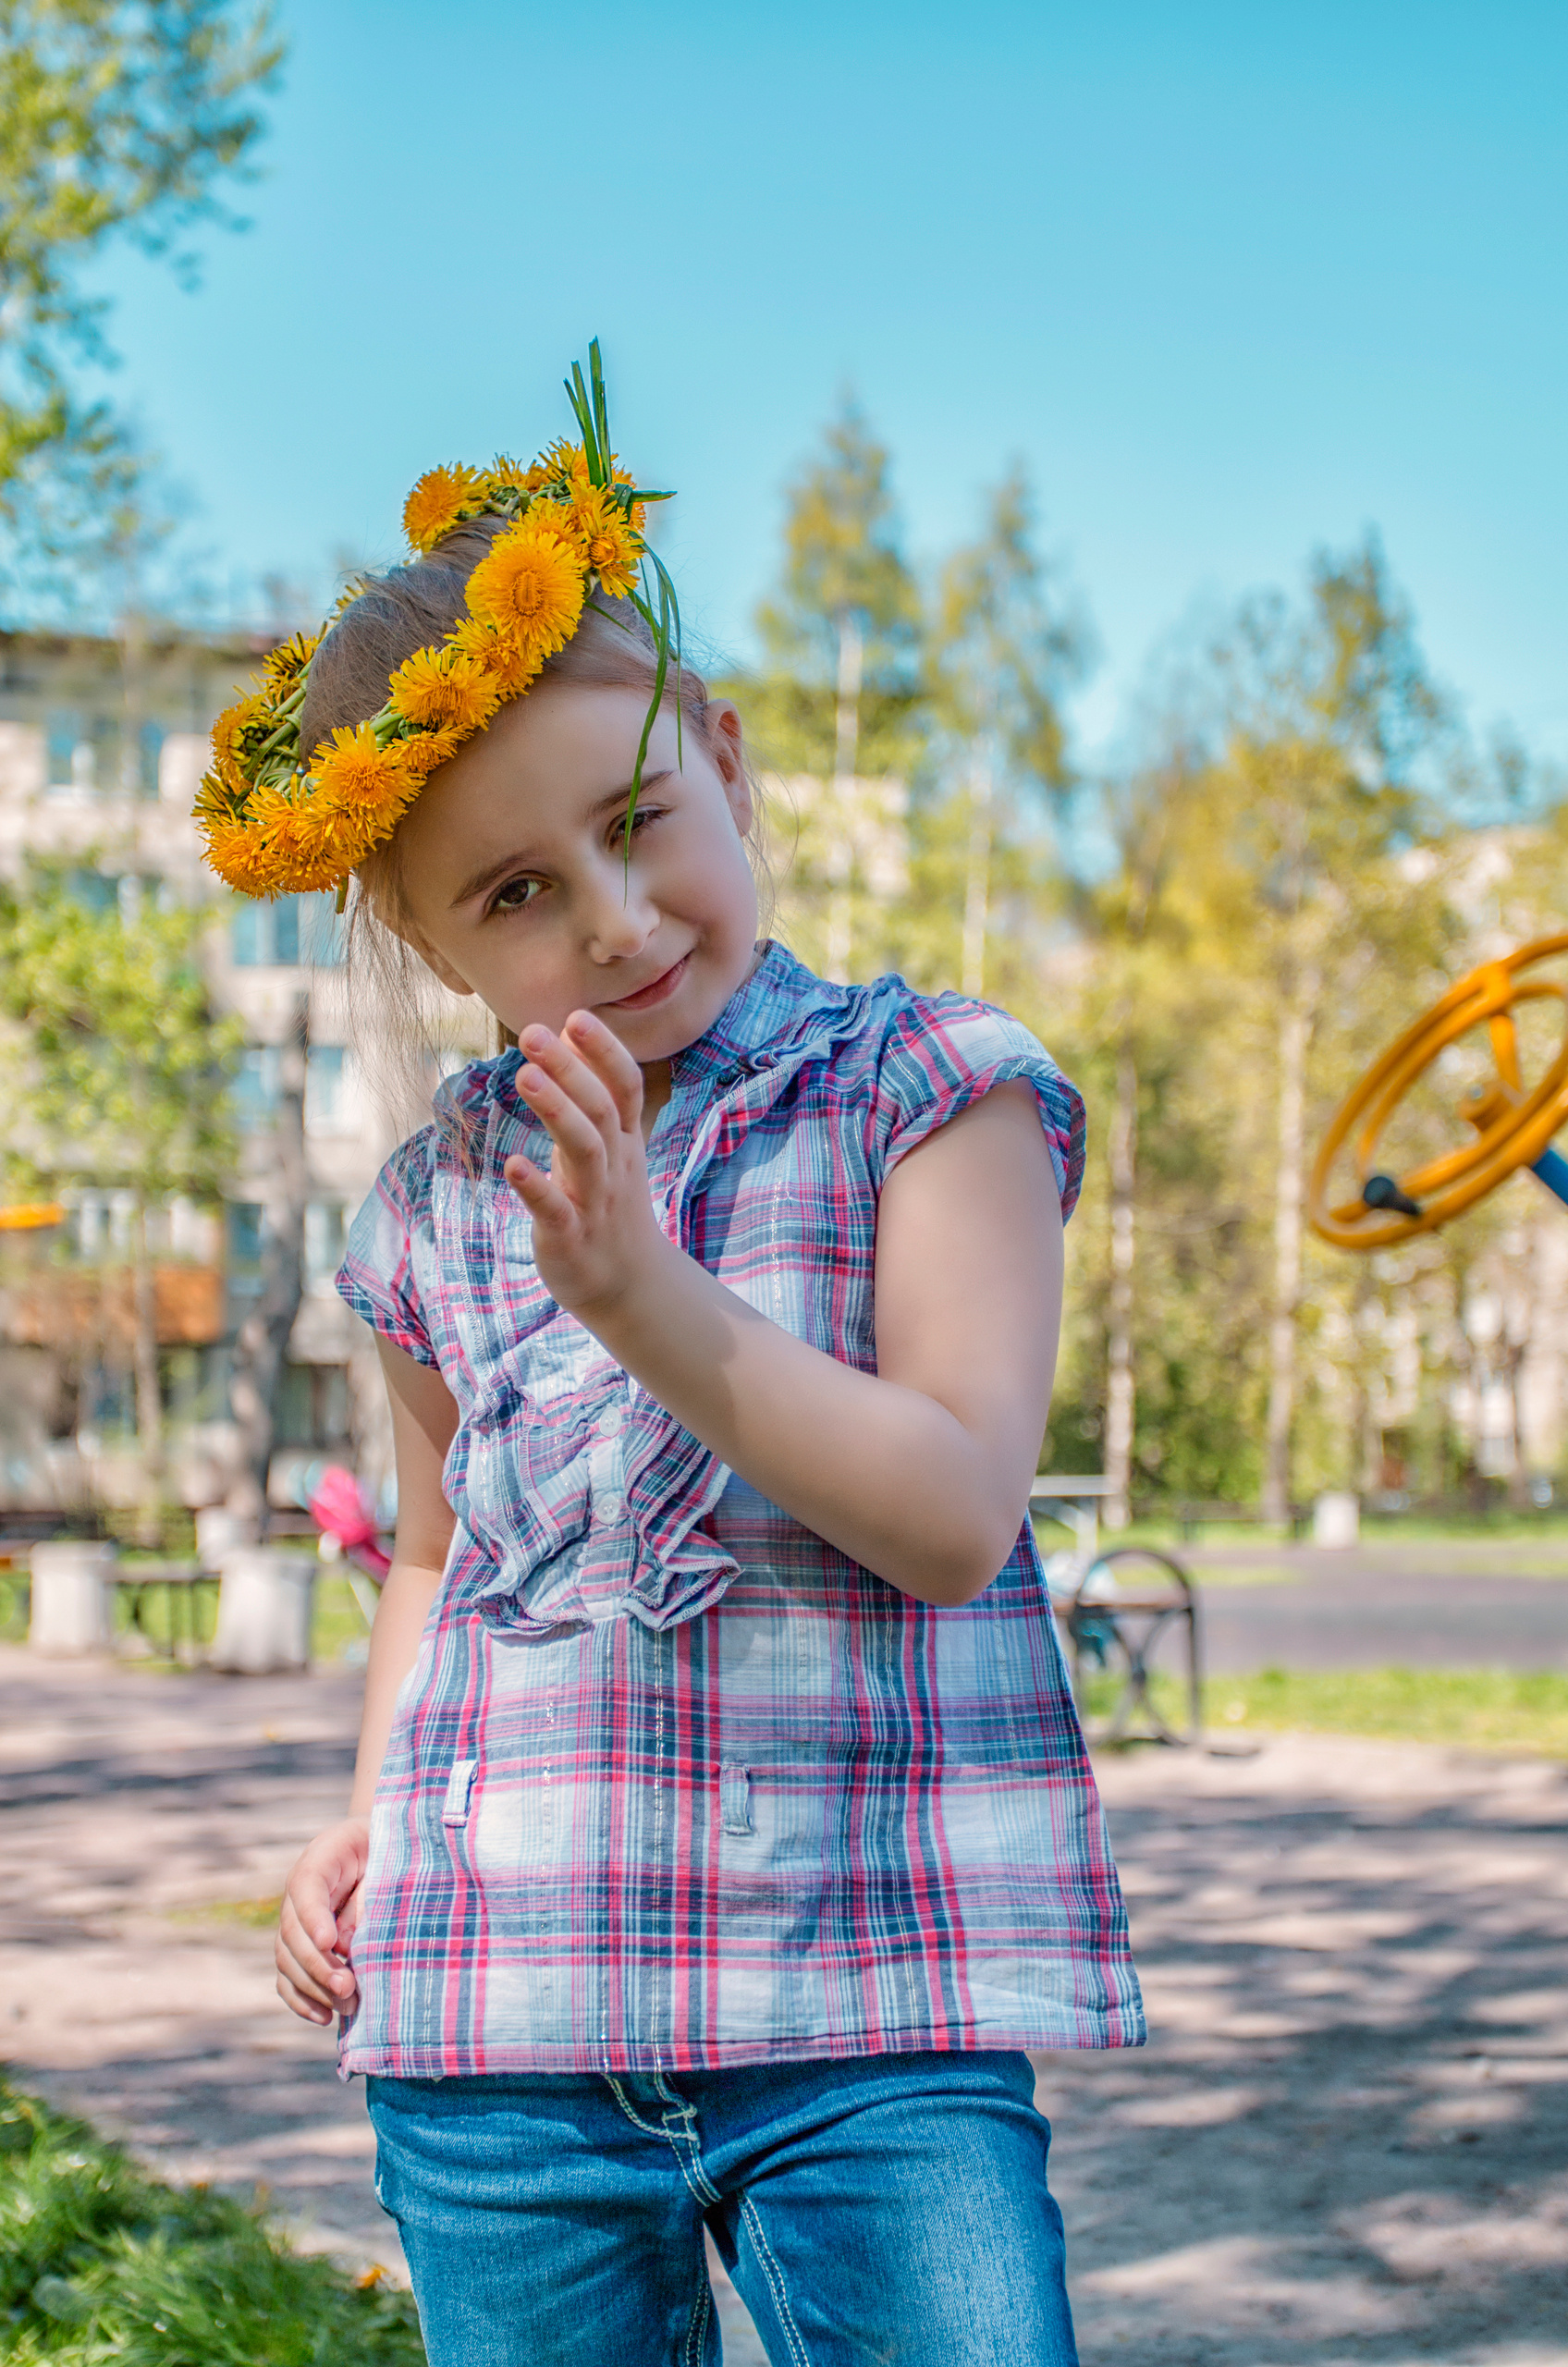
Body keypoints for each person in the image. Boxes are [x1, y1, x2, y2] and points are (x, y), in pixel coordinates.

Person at [216, 349, 1143, 2367]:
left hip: (861, 2021)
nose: (618, 920)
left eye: (640, 821)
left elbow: (953, 1512)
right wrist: (370, 1807)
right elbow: (438, 1557)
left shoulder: (930, 1091)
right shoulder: (436, 1207)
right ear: (435, 938)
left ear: (722, 757)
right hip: (498, 2035)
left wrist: (648, 1299)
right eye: (521, 894)